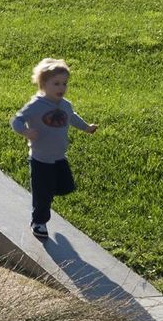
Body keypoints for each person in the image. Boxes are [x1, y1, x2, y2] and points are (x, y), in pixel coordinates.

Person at [10, 57, 98, 240]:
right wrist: (25, 131)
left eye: (64, 83)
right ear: (43, 84)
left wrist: (87, 128)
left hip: (59, 156)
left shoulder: (65, 105)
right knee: (42, 194)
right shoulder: (35, 105)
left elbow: (72, 118)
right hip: (40, 159)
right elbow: (16, 120)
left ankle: (47, 195)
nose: (61, 88)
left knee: (65, 187)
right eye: (56, 83)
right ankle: (39, 222)